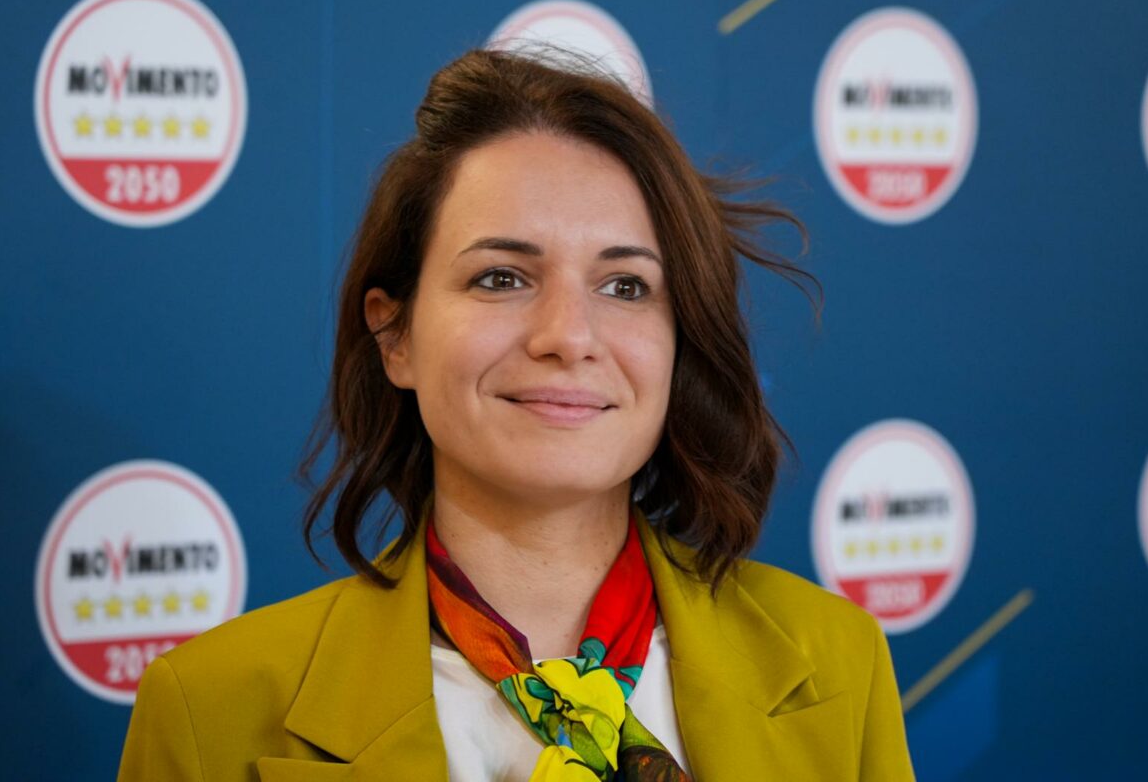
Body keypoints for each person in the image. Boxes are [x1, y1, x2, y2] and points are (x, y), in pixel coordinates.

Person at [117, 48, 914, 781]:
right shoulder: (210, 710)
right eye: (501, 278)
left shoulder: (838, 661)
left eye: (625, 286)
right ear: (395, 335)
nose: (567, 336)